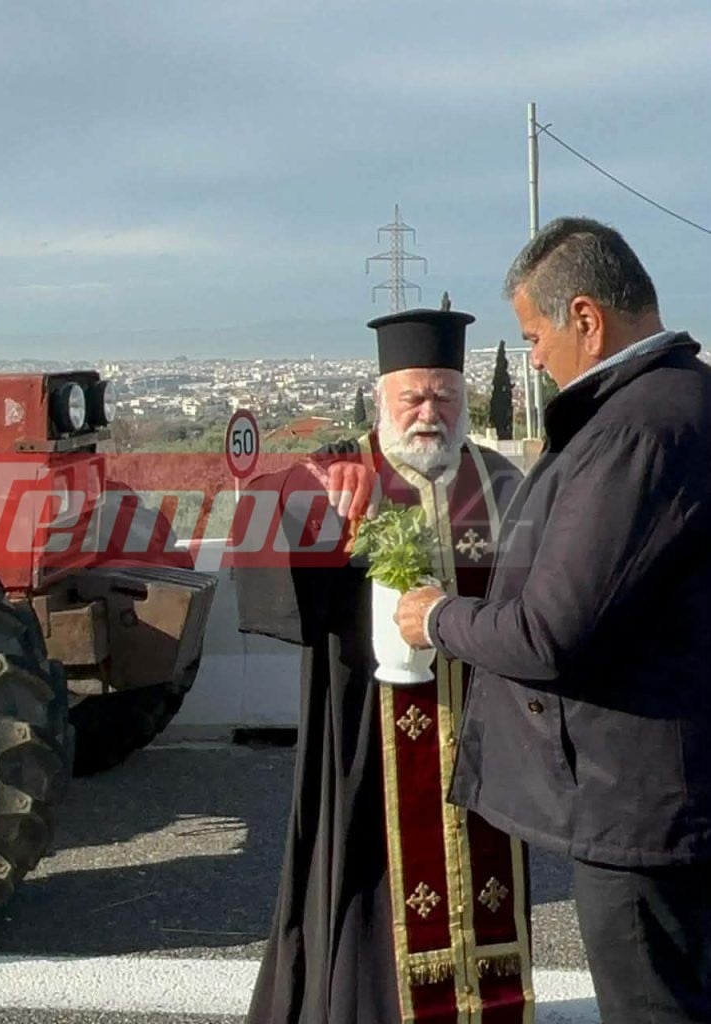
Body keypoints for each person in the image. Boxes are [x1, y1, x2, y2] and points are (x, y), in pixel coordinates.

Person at [399, 217, 711, 1023]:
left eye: (534, 334)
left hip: (645, 808)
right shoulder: (688, 402)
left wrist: (437, 617)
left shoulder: (637, 429)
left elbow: (547, 634)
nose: (532, 358)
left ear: (586, 318)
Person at [235, 307, 533, 1024]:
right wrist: (315, 491)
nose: (430, 412)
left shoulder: (498, 483)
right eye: (414, 397)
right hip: (372, 735)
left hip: (483, 734)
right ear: (383, 401)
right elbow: (262, 519)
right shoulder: (345, 471)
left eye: (445, 396)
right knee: (374, 890)